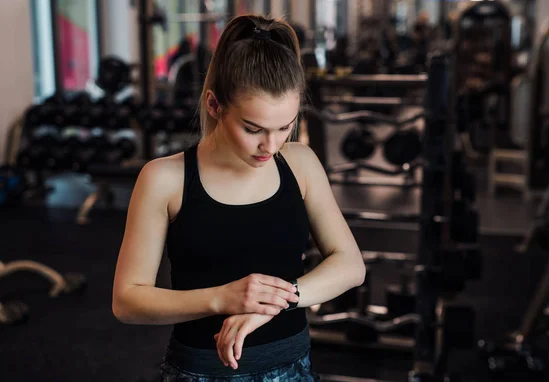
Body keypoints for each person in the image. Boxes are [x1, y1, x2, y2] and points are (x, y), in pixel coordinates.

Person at [112, 14, 366, 381]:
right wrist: (224, 298)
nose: (271, 145)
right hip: (201, 372)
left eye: (285, 127)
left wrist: (279, 301)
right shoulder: (164, 179)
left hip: (293, 366)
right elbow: (127, 300)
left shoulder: (300, 164)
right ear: (215, 106)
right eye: (253, 129)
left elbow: (350, 265)